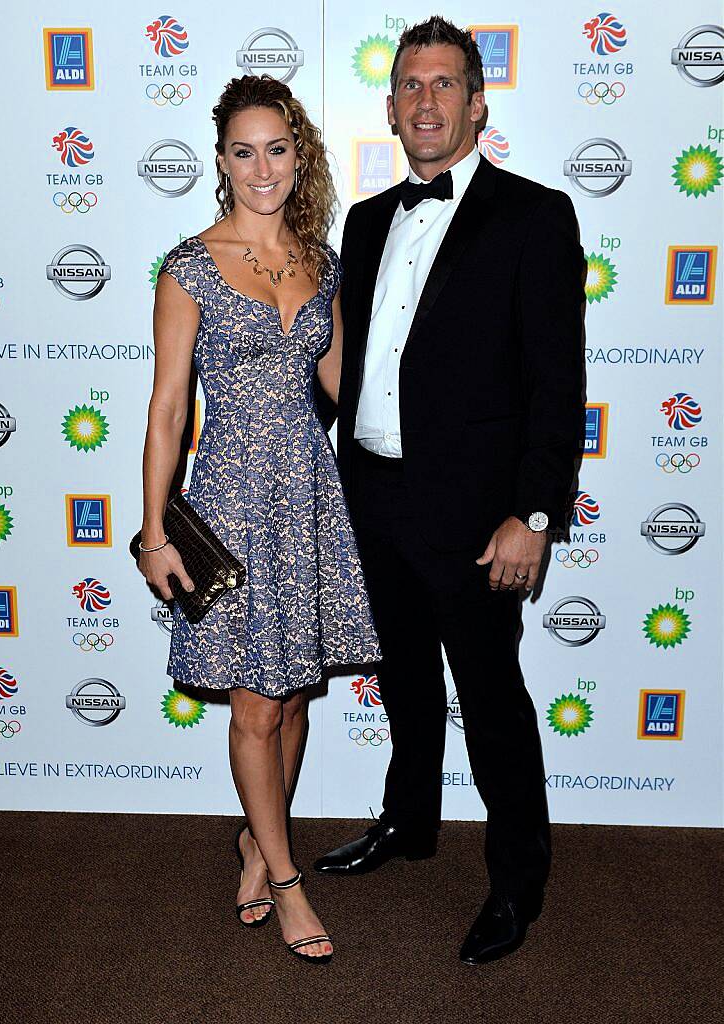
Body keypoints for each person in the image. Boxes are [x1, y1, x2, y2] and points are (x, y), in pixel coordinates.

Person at [313, 17, 586, 965]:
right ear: (389, 107)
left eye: (443, 85)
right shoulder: (364, 218)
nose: (424, 101)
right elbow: (350, 367)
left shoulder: (534, 214)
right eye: (409, 86)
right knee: (401, 683)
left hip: (479, 518)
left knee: (492, 698)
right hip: (372, 500)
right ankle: (409, 821)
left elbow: (558, 383)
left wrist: (537, 513)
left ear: (476, 103)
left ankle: (518, 881)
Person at [137, 74, 381, 965]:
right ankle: (286, 881)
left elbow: (348, 396)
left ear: (298, 154)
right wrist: (157, 530)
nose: (261, 166)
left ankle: (255, 840)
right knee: (252, 701)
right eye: (243, 150)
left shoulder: (321, 263)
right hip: (232, 498)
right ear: (222, 161)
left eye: (276, 147)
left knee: (293, 693)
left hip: (309, 496)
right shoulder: (190, 266)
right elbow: (168, 411)